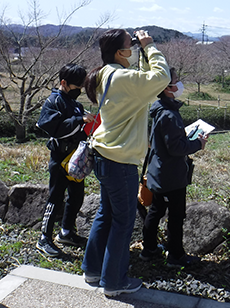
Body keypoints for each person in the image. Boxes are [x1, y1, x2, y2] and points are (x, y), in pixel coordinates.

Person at [81, 28, 170, 297]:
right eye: (129, 46)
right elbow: (161, 77)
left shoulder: (106, 73)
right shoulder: (122, 77)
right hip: (120, 160)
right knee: (123, 221)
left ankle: (93, 269)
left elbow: (143, 80)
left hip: (104, 154)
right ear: (121, 52)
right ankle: (114, 282)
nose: (133, 49)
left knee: (106, 214)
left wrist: (140, 52)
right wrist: (150, 46)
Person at [141, 68, 208, 267]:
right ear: (168, 88)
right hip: (171, 175)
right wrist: (198, 144)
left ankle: (149, 248)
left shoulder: (159, 108)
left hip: (159, 171)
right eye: (176, 81)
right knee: (176, 215)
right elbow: (176, 147)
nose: (179, 84)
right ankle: (176, 256)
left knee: (156, 210)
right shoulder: (169, 115)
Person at [35, 64, 95, 257]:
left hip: (75, 158)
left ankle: (66, 232)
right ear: (64, 83)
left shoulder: (75, 104)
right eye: (77, 86)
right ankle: (44, 238)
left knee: (77, 196)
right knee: (55, 197)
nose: (80, 90)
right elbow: (53, 128)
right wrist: (79, 120)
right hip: (60, 157)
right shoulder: (54, 101)